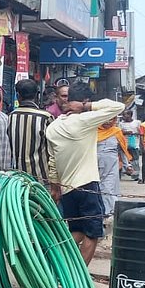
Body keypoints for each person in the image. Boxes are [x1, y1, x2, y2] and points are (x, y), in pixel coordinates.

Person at [45, 83, 124, 264]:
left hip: (67, 189)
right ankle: (79, 278)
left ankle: (59, 269)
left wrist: (55, 187)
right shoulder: (85, 120)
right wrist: (88, 107)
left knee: (77, 231)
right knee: (93, 234)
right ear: (85, 101)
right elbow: (118, 107)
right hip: (87, 185)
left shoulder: (53, 127)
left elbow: (52, 161)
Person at [9, 78, 53, 183]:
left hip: (17, 179)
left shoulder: (10, 117)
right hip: (41, 179)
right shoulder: (46, 117)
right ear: (37, 95)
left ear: (18, 95)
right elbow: (53, 150)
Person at [97, 119, 130, 216]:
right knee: (96, 188)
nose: (107, 122)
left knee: (108, 187)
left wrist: (126, 165)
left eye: (110, 120)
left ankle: (109, 212)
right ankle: (100, 210)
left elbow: (123, 150)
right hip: (95, 163)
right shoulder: (93, 131)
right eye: (105, 119)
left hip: (112, 164)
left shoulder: (117, 131)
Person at [119, 111, 141, 179]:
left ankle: (135, 175)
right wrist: (125, 132)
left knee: (135, 160)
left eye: (125, 115)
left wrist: (134, 133)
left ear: (130, 115)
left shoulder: (137, 123)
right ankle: (125, 172)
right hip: (124, 144)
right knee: (123, 159)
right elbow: (119, 132)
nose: (123, 116)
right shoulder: (121, 124)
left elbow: (140, 132)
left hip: (134, 144)